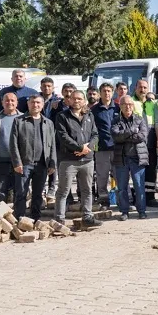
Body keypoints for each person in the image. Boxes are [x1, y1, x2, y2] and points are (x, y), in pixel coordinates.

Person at [54, 90, 100, 226]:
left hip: (87, 160)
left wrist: (87, 148)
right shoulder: (62, 116)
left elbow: (95, 134)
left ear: (84, 100)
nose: (76, 101)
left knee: (87, 190)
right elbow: (63, 137)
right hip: (68, 161)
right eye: (74, 99)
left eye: (79, 98)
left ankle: (88, 217)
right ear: (69, 100)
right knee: (63, 191)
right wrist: (80, 148)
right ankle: (59, 219)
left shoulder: (89, 115)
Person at [9, 95, 56, 221]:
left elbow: (52, 145)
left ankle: (35, 218)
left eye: (38, 103)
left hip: (42, 164)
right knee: (21, 193)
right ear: (28, 104)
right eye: (32, 102)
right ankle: (20, 218)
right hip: (24, 164)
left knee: (38, 194)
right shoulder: (19, 121)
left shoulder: (48, 123)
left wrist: (52, 163)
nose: (35, 105)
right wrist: (17, 163)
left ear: (43, 105)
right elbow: (13, 144)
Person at [112, 96, 149, 220]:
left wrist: (125, 136)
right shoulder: (116, 120)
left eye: (129, 104)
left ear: (133, 106)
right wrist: (132, 130)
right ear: (120, 106)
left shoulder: (140, 119)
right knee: (122, 187)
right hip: (121, 158)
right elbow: (116, 136)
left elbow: (142, 136)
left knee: (139, 186)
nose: (127, 106)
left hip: (137, 158)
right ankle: (124, 211)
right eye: (124, 104)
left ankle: (142, 211)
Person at [89, 83, 119, 209]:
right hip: (102, 148)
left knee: (120, 176)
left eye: (109, 91)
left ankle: (123, 200)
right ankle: (104, 200)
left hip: (118, 148)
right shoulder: (94, 110)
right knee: (102, 176)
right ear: (100, 93)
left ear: (112, 93)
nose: (107, 93)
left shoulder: (118, 108)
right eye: (104, 91)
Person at [133, 80, 158, 207]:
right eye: (140, 87)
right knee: (138, 171)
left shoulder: (153, 104)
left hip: (151, 142)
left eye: (145, 87)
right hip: (137, 143)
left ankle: (150, 197)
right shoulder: (131, 102)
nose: (142, 90)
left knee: (151, 170)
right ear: (135, 88)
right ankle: (138, 197)